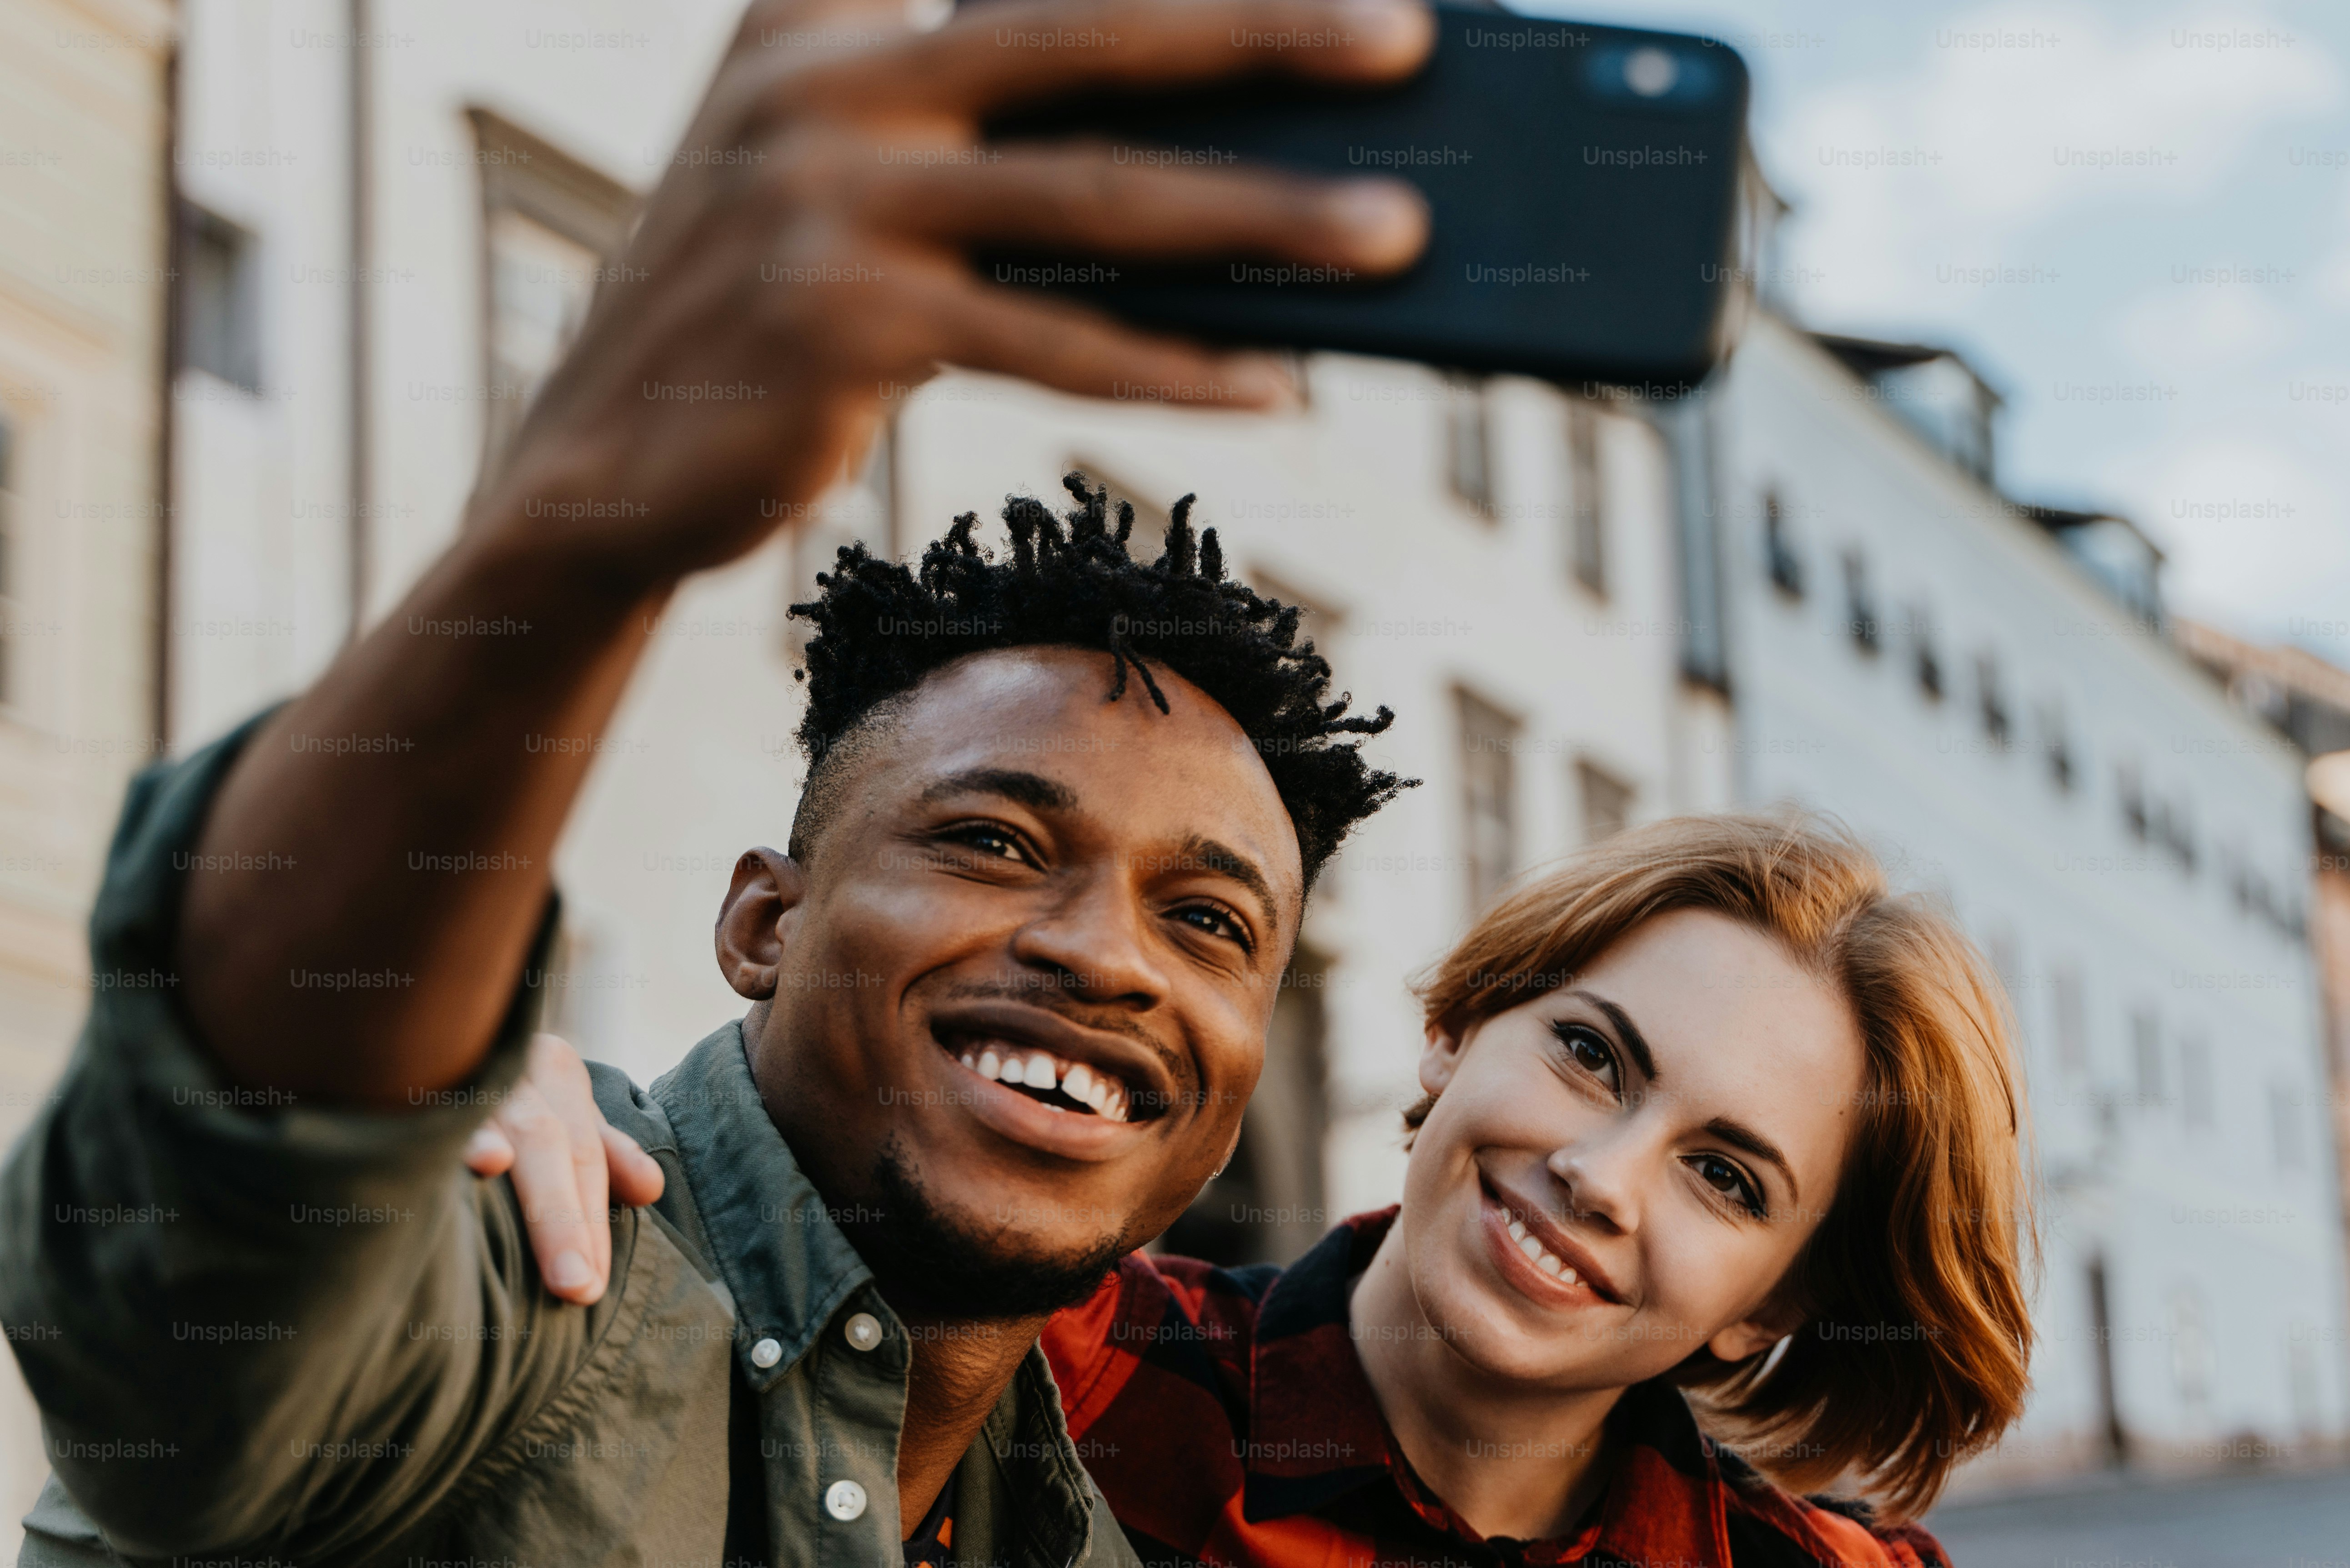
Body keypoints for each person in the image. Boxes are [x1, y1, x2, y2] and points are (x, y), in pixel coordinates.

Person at [0, 0, 1444, 1558]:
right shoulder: (524, 1254)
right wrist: (581, 524)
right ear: (761, 920)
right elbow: (194, 1272)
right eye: (989, 838)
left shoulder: (1078, 1530)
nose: (1104, 951)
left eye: (1211, 922)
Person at [1039, 816, 2034, 1568]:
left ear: (1772, 1301)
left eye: (1725, 1176)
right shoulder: (1058, 1377)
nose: (1600, 1176)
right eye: (1590, 1054)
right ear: (1456, 1026)